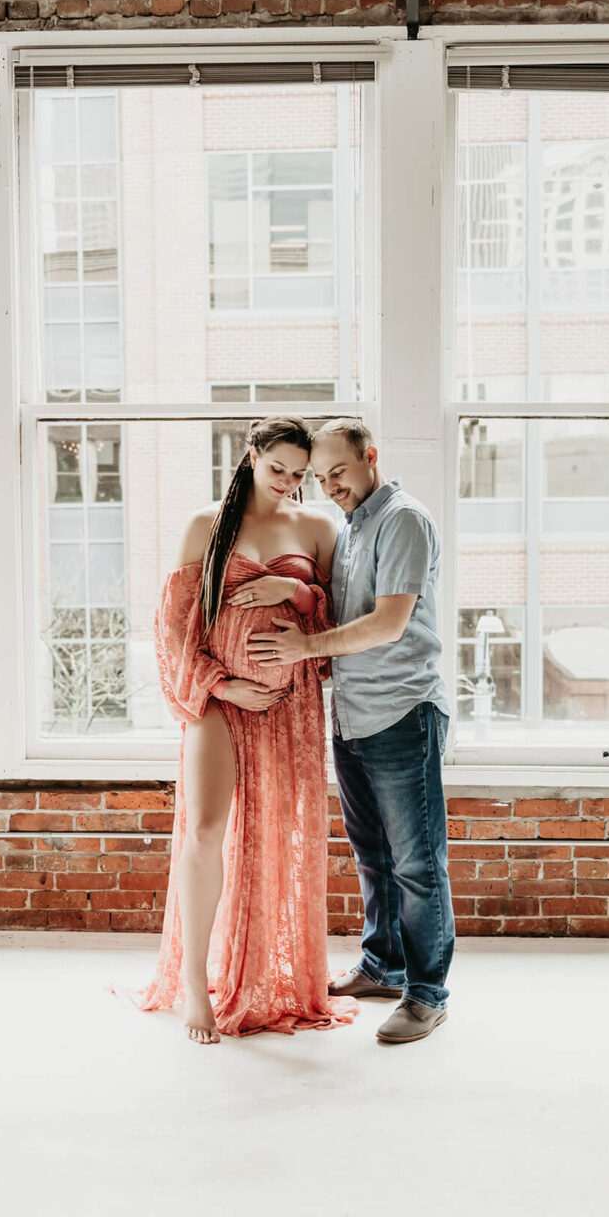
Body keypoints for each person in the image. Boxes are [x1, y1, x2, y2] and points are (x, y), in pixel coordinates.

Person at [135, 416, 358, 1044]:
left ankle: (260, 976)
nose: (287, 482)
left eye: (298, 474)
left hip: (289, 706)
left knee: (276, 838)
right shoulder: (206, 525)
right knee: (206, 831)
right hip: (216, 697)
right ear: (251, 455)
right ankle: (194, 984)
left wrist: (296, 590)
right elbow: (173, 626)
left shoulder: (318, 528)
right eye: (277, 468)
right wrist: (220, 683)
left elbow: (335, 624)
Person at [248, 417, 454, 1045]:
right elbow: (339, 609)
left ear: (371, 457)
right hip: (352, 714)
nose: (330, 486)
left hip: (402, 711)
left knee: (417, 864)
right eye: (320, 478)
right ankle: (383, 966)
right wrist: (292, 588)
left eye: (339, 472)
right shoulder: (352, 526)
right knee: (373, 855)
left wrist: (304, 648)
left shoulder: (403, 520)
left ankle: (427, 995)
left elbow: (388, 623)